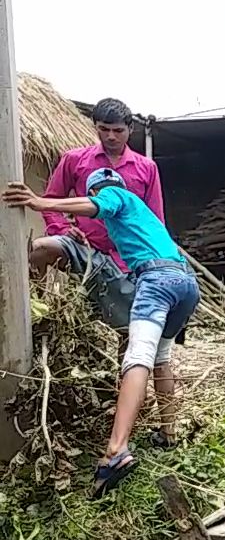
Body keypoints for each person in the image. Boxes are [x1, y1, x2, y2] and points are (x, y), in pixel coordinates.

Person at [4, 169, 199, 497]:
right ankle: (169, 432)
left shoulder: (117, 195)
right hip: (186, 283)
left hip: (156, 282)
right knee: (162, 359)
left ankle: (116, 449)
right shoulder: (139, 217)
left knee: (138, 358)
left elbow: (94, 205)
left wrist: (40, 202)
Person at [32, 98, 162, 278]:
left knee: (128, 305)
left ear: (130, 129)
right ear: (95, 126)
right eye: (104, 129)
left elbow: (155, 220)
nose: (111, 136)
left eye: (118, 131)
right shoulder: (74, 160)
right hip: (84, 248)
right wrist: (63, 229)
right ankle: (33, 303)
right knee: (39, 249)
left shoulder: (147, 168)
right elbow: (51, 201)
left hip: (130, 258)